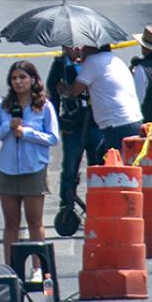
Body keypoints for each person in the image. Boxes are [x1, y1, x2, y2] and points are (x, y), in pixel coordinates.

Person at [0, 61, 58, 274]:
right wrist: (7, 126)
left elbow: (53, 138)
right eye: (14, 78)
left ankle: (38, 269)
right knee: (11, 222)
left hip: (33, 168)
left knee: (34, 220)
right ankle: (11, 270)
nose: (18, 82)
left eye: (23, 77)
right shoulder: (5, 106)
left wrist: (26, 132)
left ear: (33, 79)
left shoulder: (44, 106)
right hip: (8, 168)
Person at [46, 47, 102, 217]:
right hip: (72, 124)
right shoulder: (59, 64)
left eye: (80, 44)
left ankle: (98, 203)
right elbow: (53, 95)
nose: (77, 48)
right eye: (72, 44)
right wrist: (54, 122)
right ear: (64, 47)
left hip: (95, 122)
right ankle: (66, 205)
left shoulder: (93, 61)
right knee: (70, 167)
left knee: (97, 164)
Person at [67, 44, 143, 164]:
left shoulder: (93, 61)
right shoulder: (114, 59)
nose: (81, 49)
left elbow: (75, 91)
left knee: (115, 171)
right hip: (131, 121)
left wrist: (63, 89)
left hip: (117, 125)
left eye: (85, 46)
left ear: (94, 47)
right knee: (101, 158)